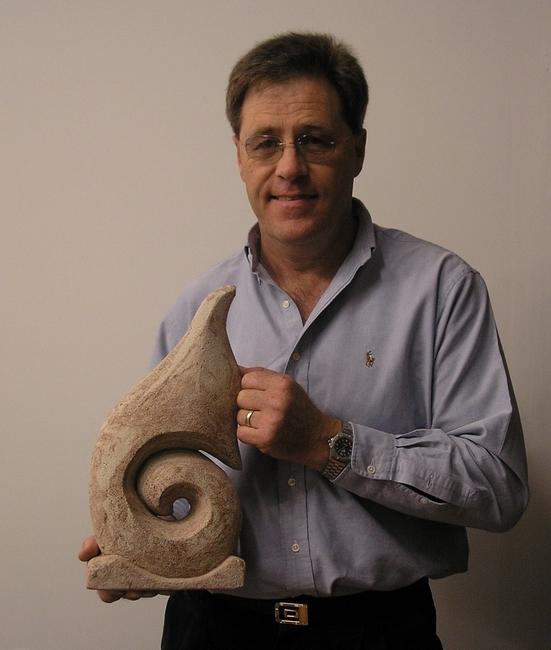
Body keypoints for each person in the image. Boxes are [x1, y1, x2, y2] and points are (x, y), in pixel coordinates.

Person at [80, 32, 529, 649]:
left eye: (315, 139)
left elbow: (498, 487)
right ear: (239, 156)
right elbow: (166, 478)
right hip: (213, 631)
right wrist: (143, 547)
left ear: (358, 149)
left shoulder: (443, 289)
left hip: (380, 633)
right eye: (266, 142)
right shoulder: (193, 310)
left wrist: (329, 442)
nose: (289, 167)